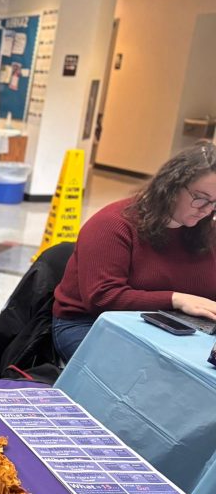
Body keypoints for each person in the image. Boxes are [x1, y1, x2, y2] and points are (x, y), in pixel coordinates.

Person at [52, 141, 216, 361]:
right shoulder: (113, 224)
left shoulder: (206, 231)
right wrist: (176, 299)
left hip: (173, 326)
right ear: (171, 186)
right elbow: (103, 298)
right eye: (201, 198)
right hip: (90, 323)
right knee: (151, 381)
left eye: (214, 203)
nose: (206, 210)